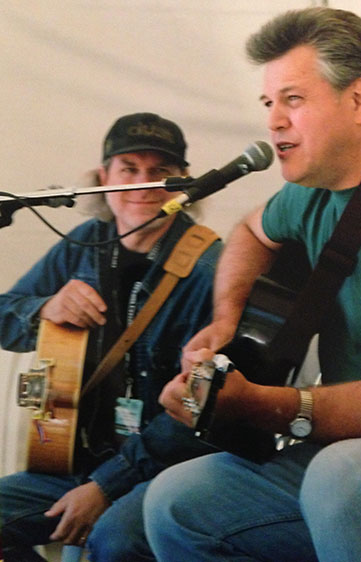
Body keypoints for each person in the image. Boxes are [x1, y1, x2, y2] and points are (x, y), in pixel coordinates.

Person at [142, 8, 361, 562]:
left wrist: (269, 405)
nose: (273, 121)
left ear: (357, 99)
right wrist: (227, 317)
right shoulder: (315, 184)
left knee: (342, 477)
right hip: (354, 447)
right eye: (268, 103)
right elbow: (249, 233)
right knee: (178, 503)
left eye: (293, 99)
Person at [0, 112, 222, 561]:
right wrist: (43, 308)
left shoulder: (209, 269)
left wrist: (108, 486)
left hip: (163, 474)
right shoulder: (85, 242)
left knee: (116, 542)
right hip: (76, 465)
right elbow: (4, 317)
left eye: (160, 171)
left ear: (184, 184)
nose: (143, 184)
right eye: (129, 170)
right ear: (103, 178)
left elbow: (204, 415)